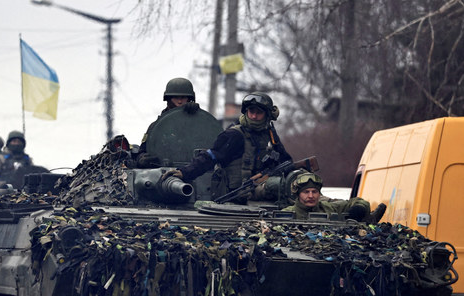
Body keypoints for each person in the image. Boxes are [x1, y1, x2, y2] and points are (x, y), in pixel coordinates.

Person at [164, 92, 292, 202]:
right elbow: (210, 157)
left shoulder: (269, 134)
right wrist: (184, 172)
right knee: (279, 185)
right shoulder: (234, 135)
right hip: (236, 194)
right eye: (251, 111)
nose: (254, 116)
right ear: (246, 112)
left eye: (259, 113)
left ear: (267, 115)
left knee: (293, 182)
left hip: (260, 191)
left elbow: (285, 160)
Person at [136, 77, 200, 168]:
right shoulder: (157, 127)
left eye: (183, 97)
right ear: (168, 99)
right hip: (162, 172)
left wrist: (197, 115)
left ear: (189, 99)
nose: (180, 101)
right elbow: (141, 152)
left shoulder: (198, 124)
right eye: (176, 97)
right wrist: (142, 159)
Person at [282, 172, 385, 222]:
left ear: (319, 194)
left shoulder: (329, 208)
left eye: (314, 192)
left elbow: (357, 201)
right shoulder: (286, 214)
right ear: (298, 194)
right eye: (306, 192)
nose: (311, 196)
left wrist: (359, 208)